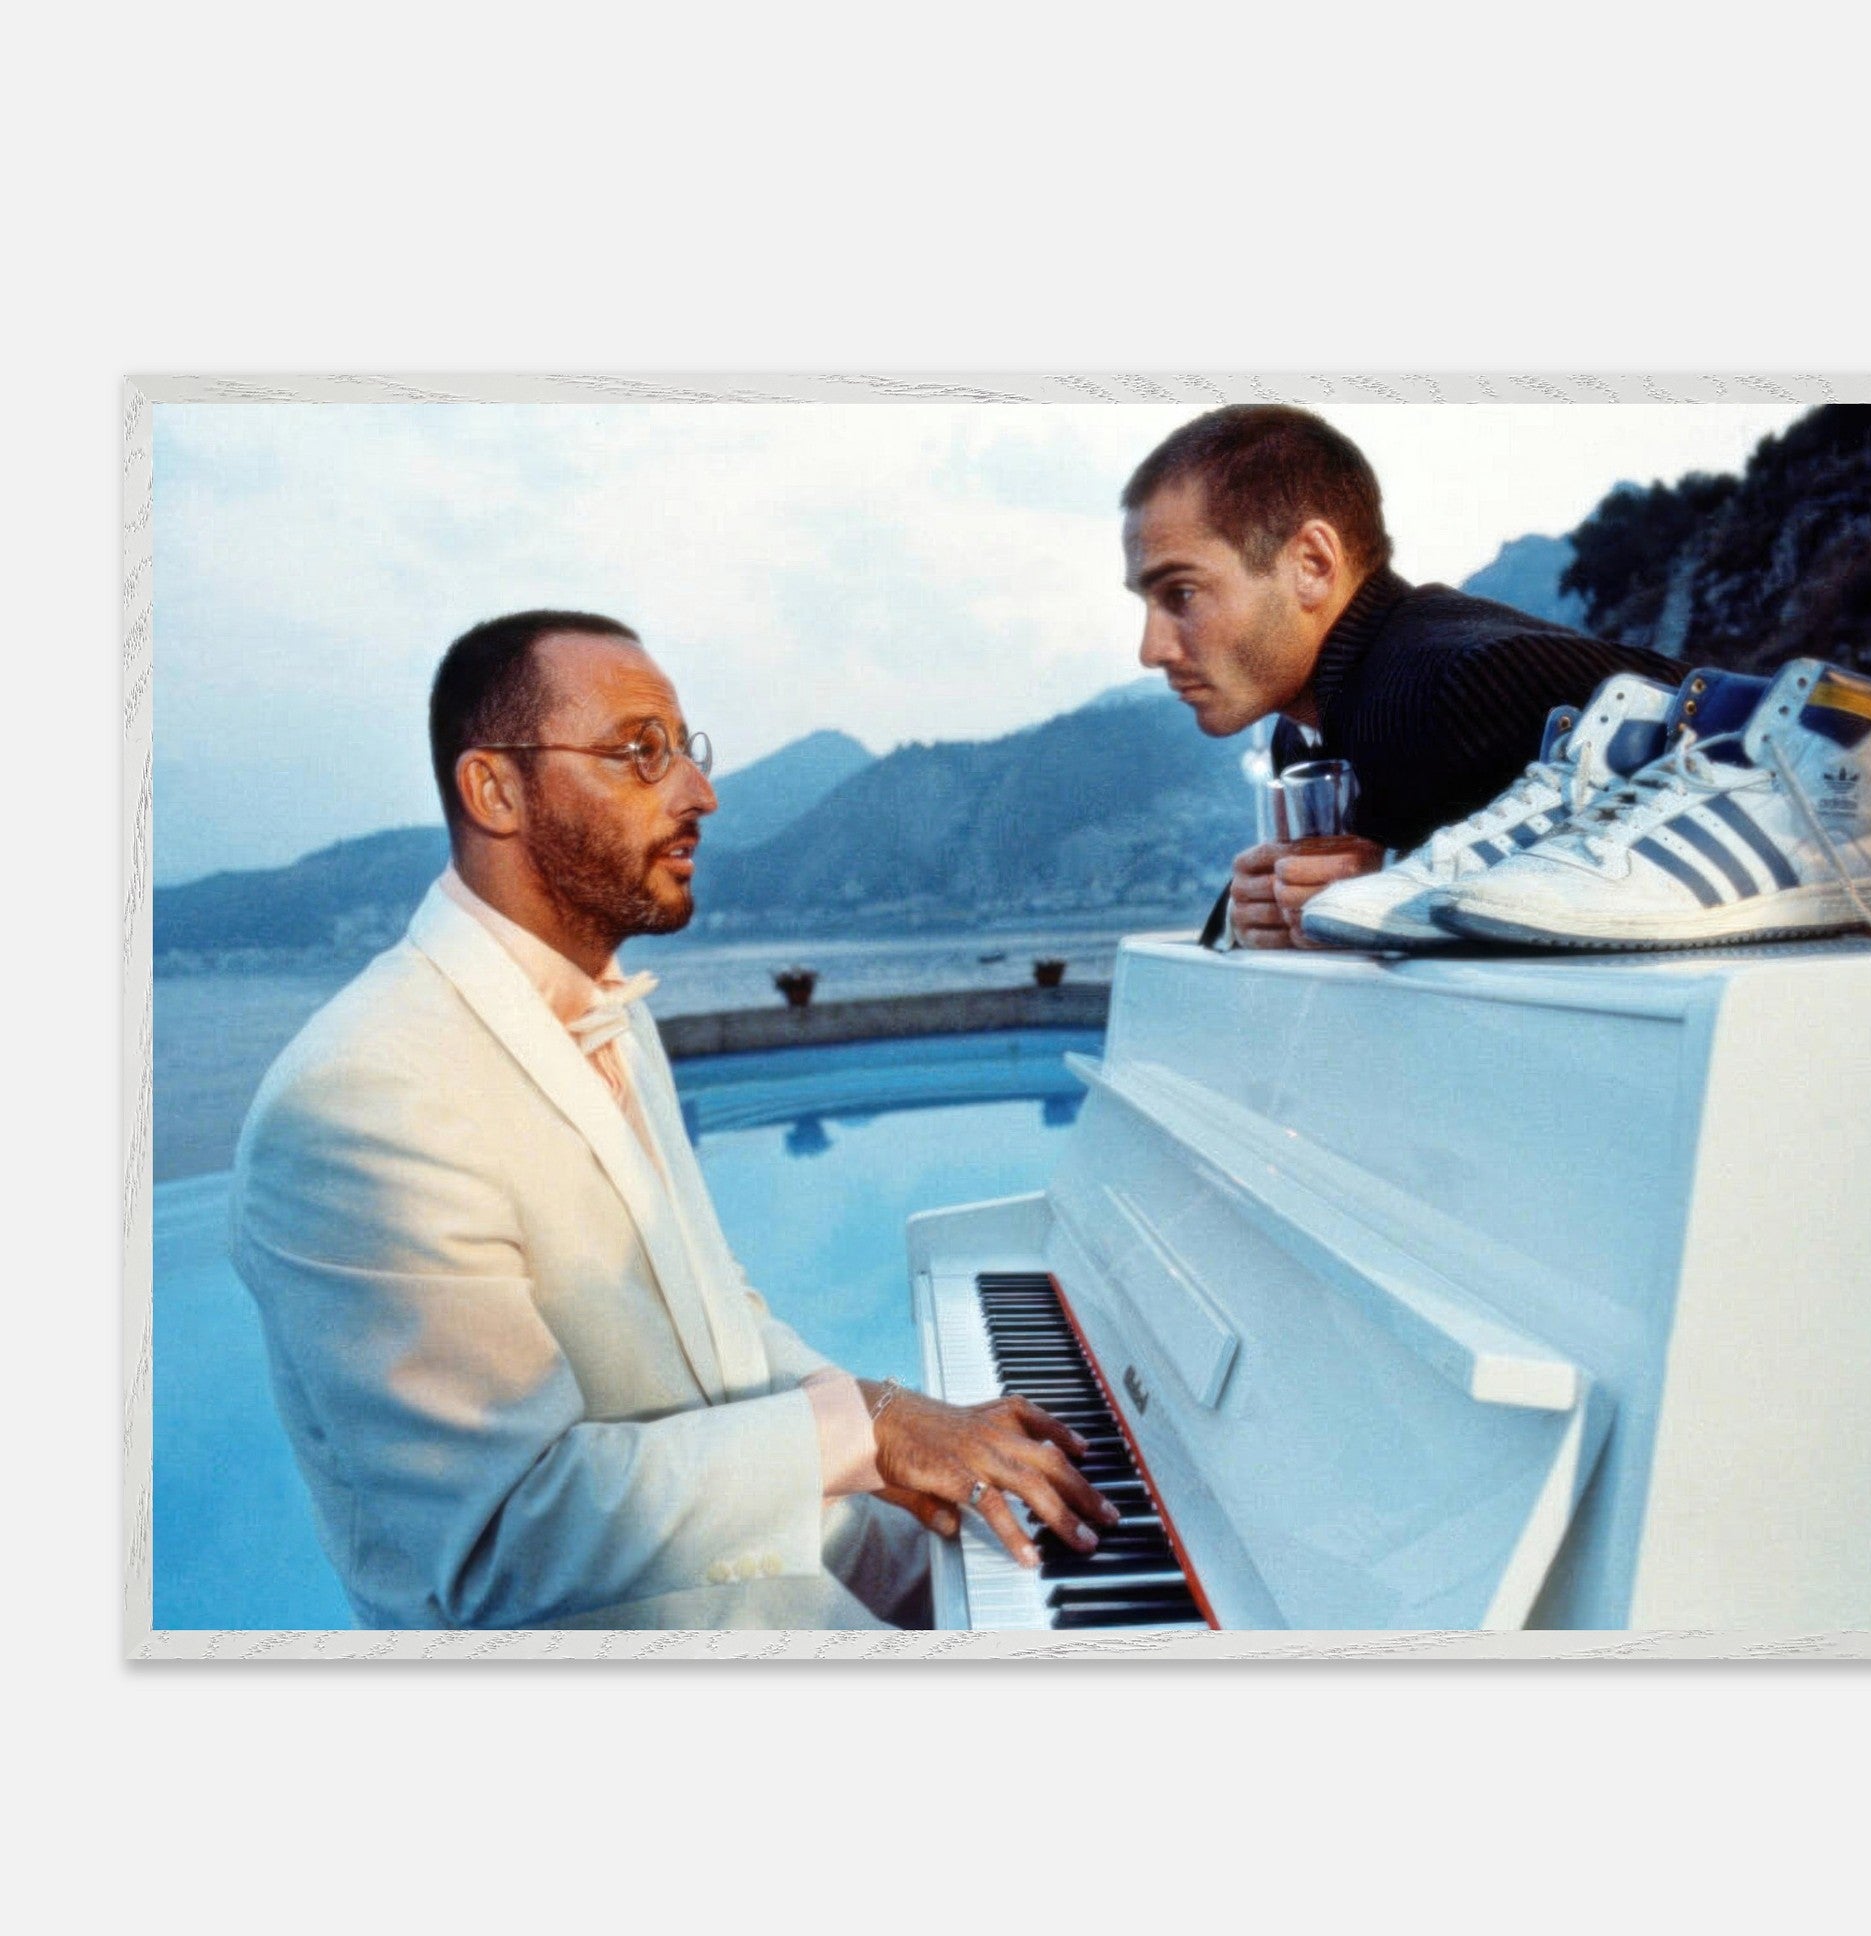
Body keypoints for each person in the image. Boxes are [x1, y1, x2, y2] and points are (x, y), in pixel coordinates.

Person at [231, 609, 1119, 1630]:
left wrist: (897, 1426)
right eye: (638, 752)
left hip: (763, 1549)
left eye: (684, 751)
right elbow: (505, 1537)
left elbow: (716, 1315)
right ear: (494, 790)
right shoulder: (357, 1101)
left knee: (1061, 1566)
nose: (699, 792)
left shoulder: (611, 1011)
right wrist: (863, 1426)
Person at [1119, 406, 1689, 948]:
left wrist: (1395, 888)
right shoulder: (1300, 732)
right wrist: (1252, 916)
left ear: (1312, 565)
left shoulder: (1461, 684)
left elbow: (1754, 758)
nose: (1152, 649)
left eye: (1183, 593)